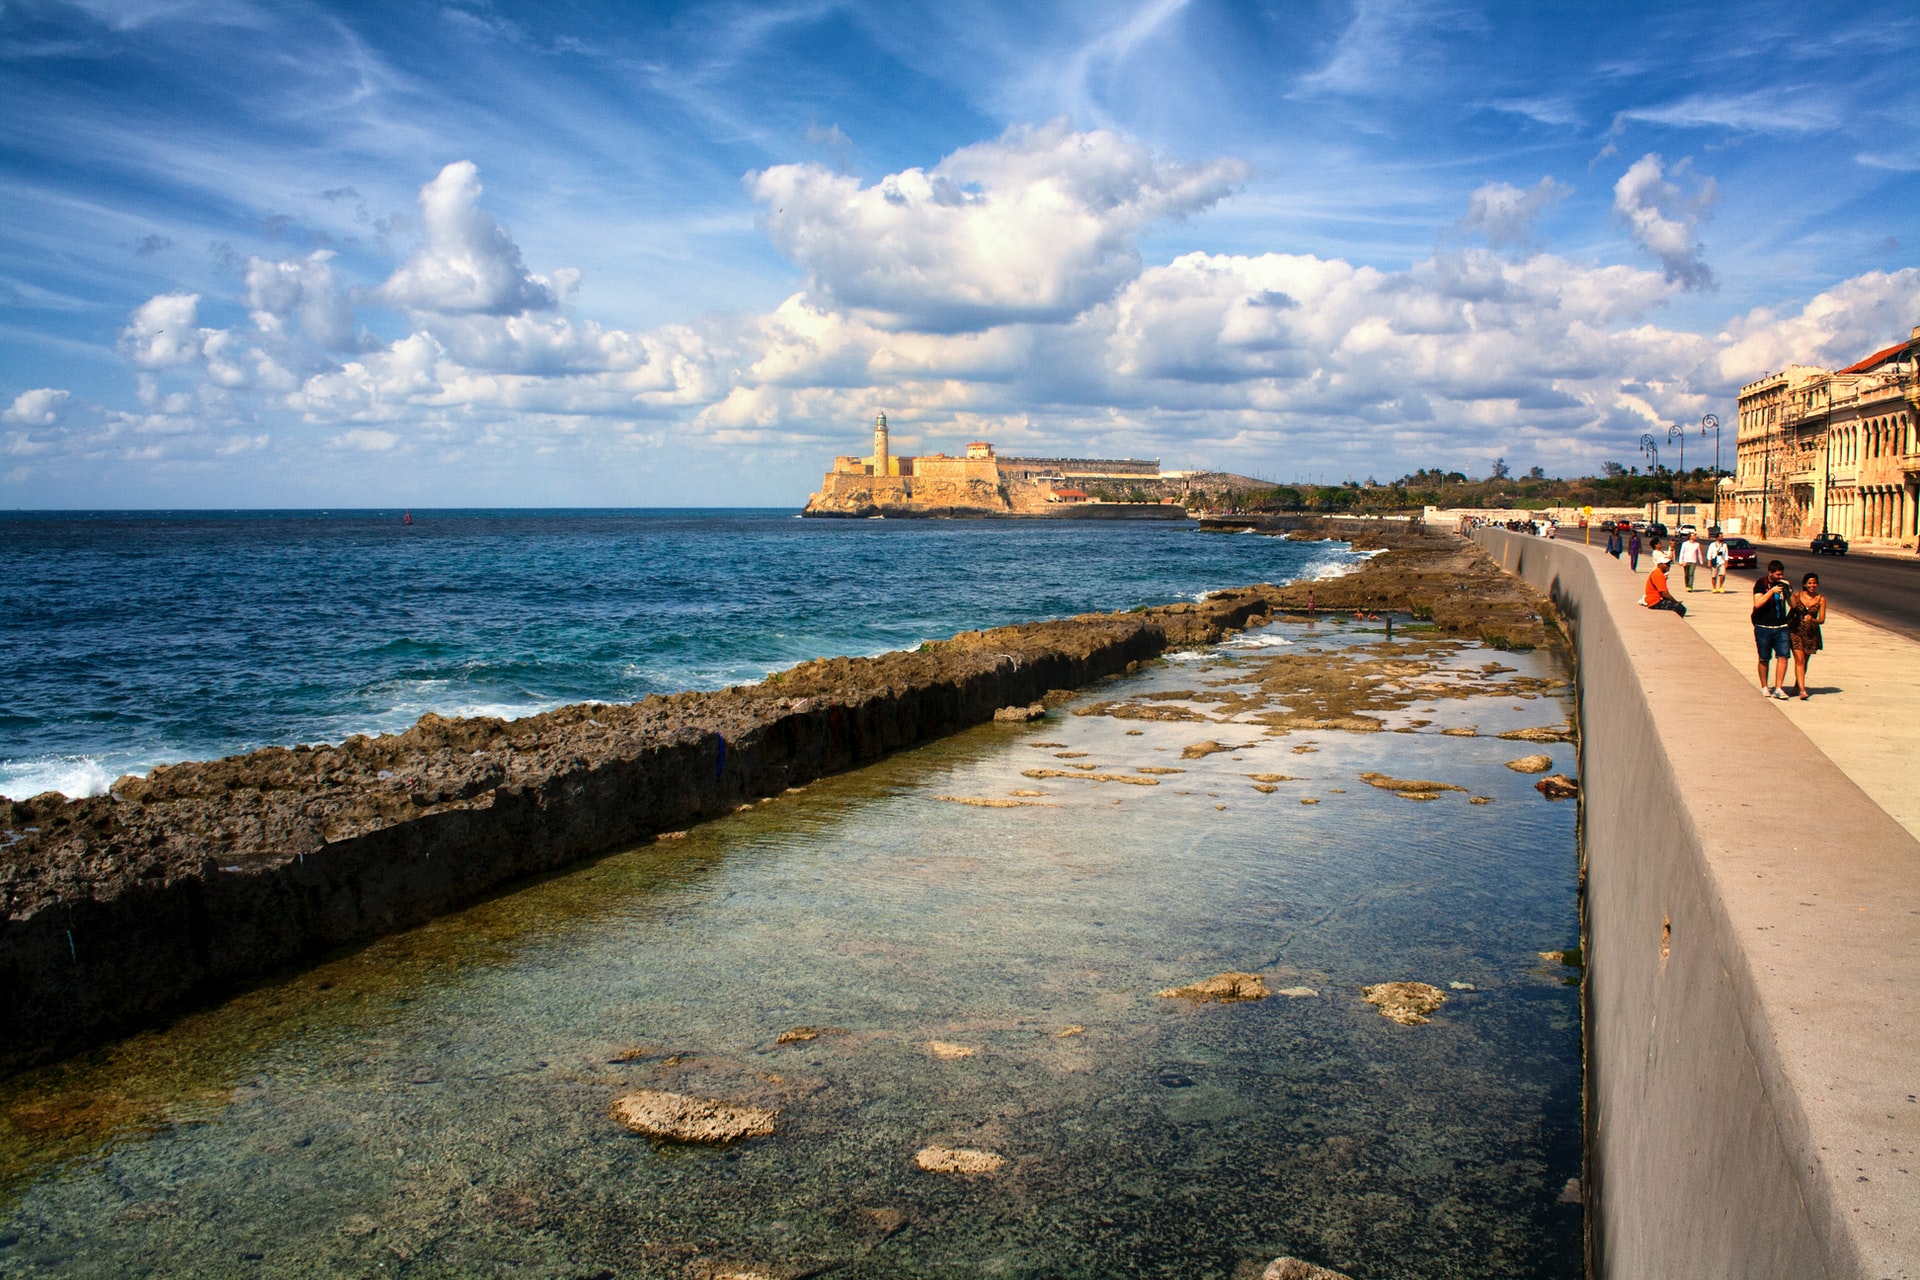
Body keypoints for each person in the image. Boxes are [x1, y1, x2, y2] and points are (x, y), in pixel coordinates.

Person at [1751, 560, 1794, 699]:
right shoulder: (1761, 584)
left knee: (1783, 656)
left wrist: (1788, 591)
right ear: (1770, 573)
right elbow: (1757, 603)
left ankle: (1779, 688)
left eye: (1782, 574)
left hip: (1781, 627)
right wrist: (1771, 592)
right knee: (1764, 658)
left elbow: (1793, 605)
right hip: (1763, 626)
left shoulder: (1784, 584)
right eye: (1778, 575)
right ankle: (1764, 686)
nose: (1780, 577)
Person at [1787, 572, 1827, 700]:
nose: (1812, 585)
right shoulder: (1797, 596)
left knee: (1805, 661)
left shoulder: (1821, 599)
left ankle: (1797, 685)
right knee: (1799, 660)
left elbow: (1821, 619)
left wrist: (1812, 620)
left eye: (1814, 583)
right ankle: (1803, 690)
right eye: (1809, 583)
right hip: (1796, 631)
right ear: (1804, 584)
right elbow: (1790, 612)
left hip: (1811, 634)